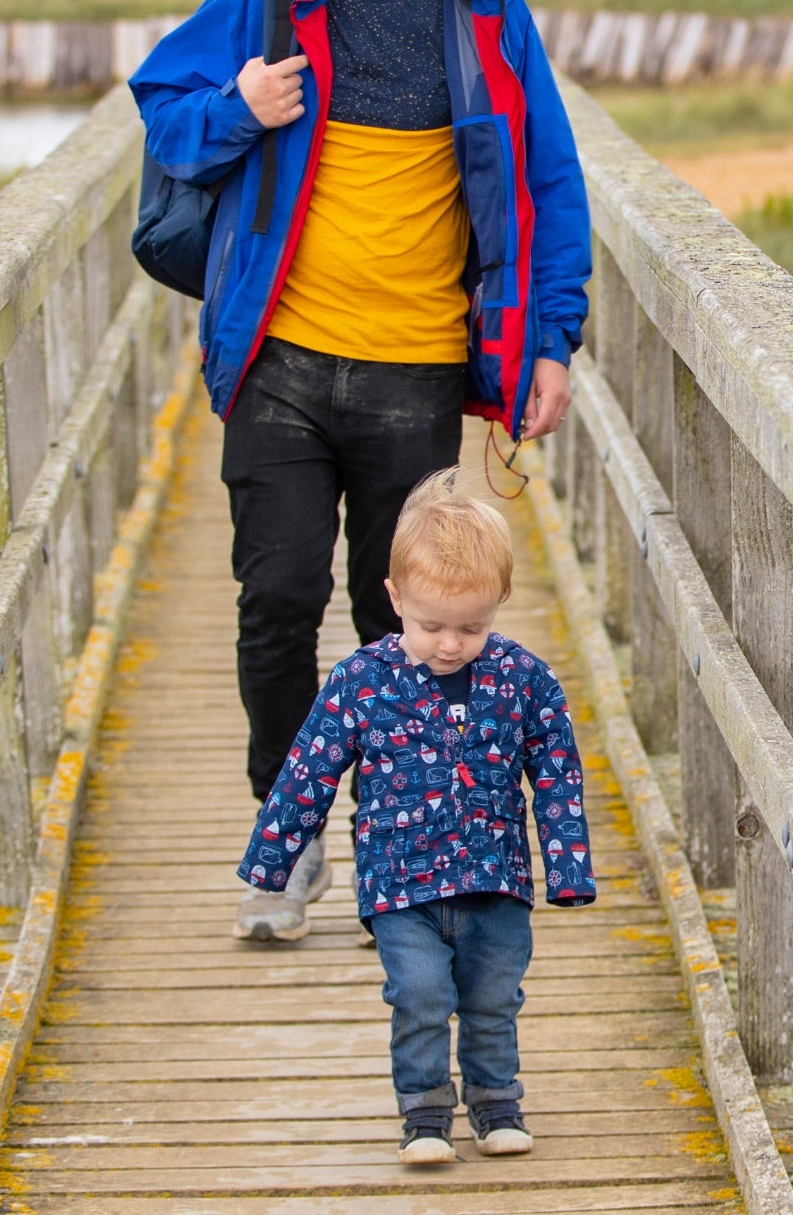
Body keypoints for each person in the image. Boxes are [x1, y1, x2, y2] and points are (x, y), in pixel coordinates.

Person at [131, 0, 591, 944]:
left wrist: (550, 339)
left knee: (395, 632)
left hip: (417, 368)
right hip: (279, 358)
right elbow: (164, 114)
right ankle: (284, 851)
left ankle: (402, 849)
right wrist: (241, 104)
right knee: (275, 599)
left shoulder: (487, 7)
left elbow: (547, 179)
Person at [236, 472, 594, 1164]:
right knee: (421, 995)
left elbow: (556, 773)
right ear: (394, 598)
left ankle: (497, 1105)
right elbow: (308, 769)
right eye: (430, 625)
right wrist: (272, 864)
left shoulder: (525, 679)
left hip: (495, 877)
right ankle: (426, 1115)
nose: (451, 643)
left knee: (494, 997)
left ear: (501, 603)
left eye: (472, 626)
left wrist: (568, 867)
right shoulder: (361, 681)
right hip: (400, 880)